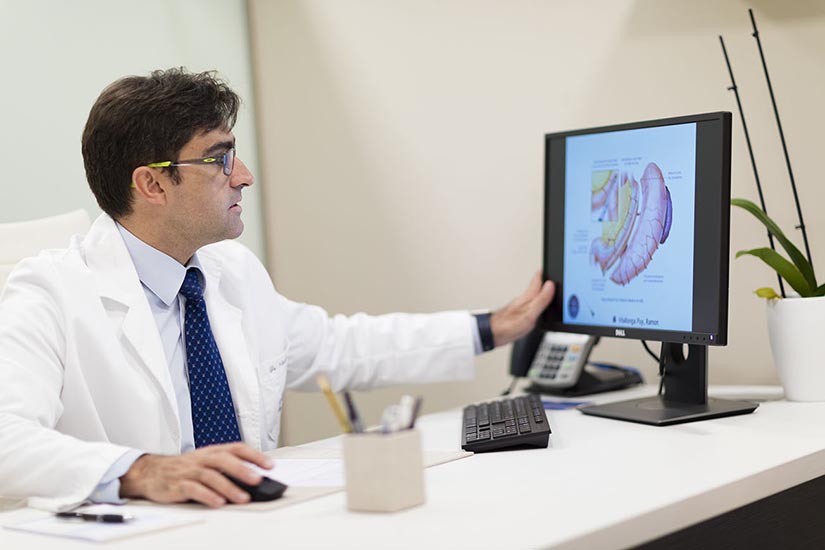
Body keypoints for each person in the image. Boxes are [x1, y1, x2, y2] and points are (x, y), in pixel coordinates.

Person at [0, 68, 554, 511]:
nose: (243, 175)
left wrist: (492, 327)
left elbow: (338, 348)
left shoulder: (229, 273)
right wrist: (140, 471)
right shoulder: (48, 293)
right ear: (151, 183)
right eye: (219, 158)